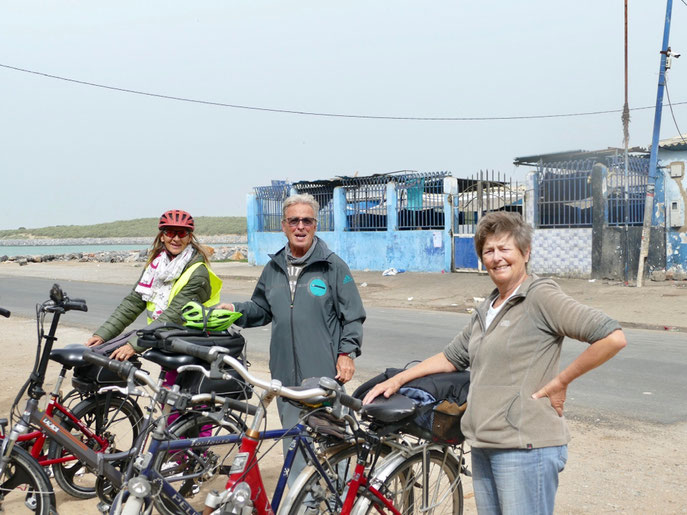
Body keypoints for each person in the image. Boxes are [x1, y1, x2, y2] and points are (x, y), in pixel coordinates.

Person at [363, 211, 626, 515]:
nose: (497, 258)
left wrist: (561, 381)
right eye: (489, 251)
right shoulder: (488, 306)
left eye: (505, 249)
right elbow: (452, 356)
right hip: (484, 443)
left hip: (525, 446)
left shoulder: (540, 297)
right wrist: (398, 379)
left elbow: (612, 337)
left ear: (525, 253)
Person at [219, 192, 366, 482]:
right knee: (295, 446)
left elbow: (353, 316)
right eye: (294, 220)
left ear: (315, 225)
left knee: (334, 444)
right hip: (285, 379)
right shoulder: (273, 268)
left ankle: (343, 503)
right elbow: (261, 309)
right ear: (284, 226)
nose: (301, 226)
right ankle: (306, 505)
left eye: (307, 221)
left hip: (323, 378)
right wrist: (235, 310)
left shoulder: (333, 267)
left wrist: (347, 353)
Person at [85, 209, 223, 366]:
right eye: (170, 233)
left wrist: (134, 345)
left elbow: (174, 314)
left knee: (173, 387)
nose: (176, 239)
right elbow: (133, 302)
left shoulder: (198, 272)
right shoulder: (155, 266)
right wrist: (103, 335)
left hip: (191, 340)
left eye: (182, 233)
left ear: (189, 237)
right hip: (165, 337)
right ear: (162, 236)